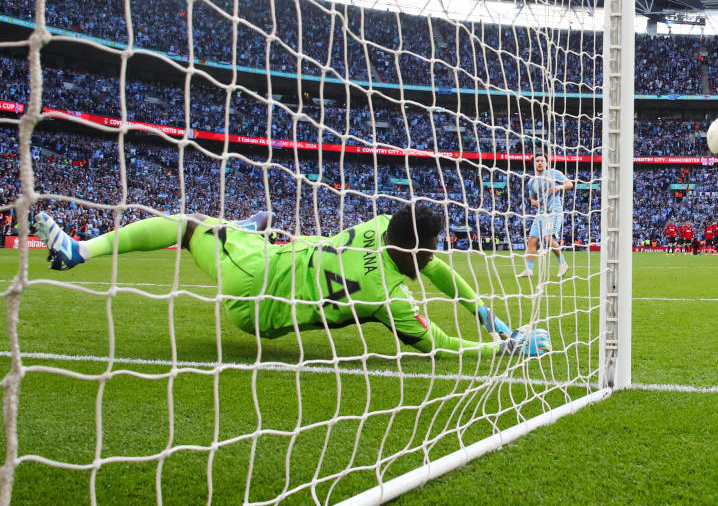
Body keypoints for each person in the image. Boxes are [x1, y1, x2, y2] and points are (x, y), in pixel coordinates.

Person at [34, 203, 551, 358]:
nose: (436, 256)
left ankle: (81, 250)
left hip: (272, 272)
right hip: (257, 293)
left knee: (196, 226)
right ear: (411, 247)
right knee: (190, 228)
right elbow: (434, 344)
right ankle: (76, 250)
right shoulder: (388, 298)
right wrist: (502, 347)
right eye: (431, 247)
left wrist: (492, 319)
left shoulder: (380, 227)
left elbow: (433, 269)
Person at [519, 154, 573, 278]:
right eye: (537, 161)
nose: (539, 163)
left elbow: (570, 184)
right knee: (532, 240)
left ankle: (563, 264)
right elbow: (532, 198)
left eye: (542, 161)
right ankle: (529, 269)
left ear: (547, 163)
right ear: (533, 164)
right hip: (541, 213)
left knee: (548, 238)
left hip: (554, 211)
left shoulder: (554, 173)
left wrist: (559, 187)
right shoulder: (531, 182)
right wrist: (534, 202)